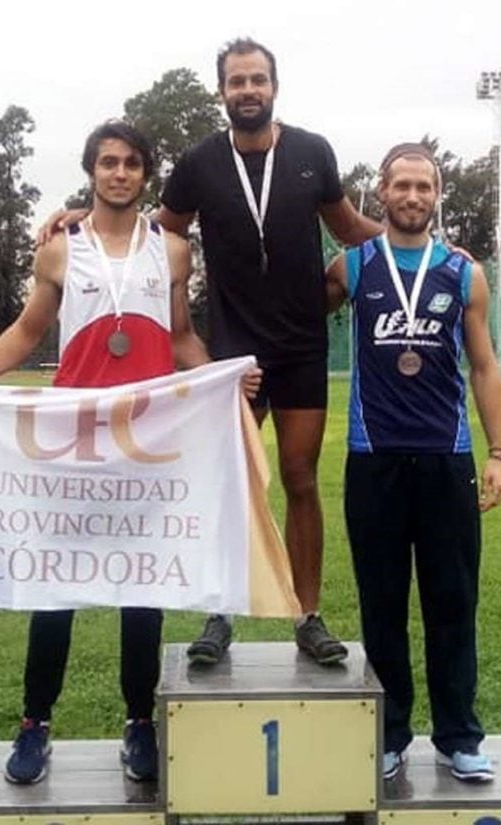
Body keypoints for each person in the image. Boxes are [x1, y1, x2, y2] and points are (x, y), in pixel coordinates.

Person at [0, 120, 260, 785]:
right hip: (74, 443)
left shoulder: (173, 251)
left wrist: (224, 377)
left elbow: (179, 337)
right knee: (55, 585)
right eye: (108, 162)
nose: (120, 173)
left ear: (146, 174)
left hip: (144, 442)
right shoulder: (60, 250)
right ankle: (35, 724)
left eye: (132, 163)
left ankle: (139, 721)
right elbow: (30, 328)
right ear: (91, 171)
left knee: (143, 586)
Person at [155, 38, 384, 666]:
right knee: (230, 485)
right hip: (232, 355)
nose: (247, 90)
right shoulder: (199, 161)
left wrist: (423, 245)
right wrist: (86, 222)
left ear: (274, 87)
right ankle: (218, 612)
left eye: (258, 80)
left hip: (303, 347)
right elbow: (159, 230)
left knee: (300, 479)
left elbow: (347, 229)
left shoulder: (311, 152)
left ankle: (307, 615)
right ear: (222, 91)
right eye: (236, 81)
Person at [325, 143, 501, 782]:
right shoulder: (351, 267)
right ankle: (391, 733)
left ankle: (458, 736)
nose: (412, 196)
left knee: (452, 601)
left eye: (423, 186)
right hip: (372, 461)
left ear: (436, 195)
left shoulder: (463, 272)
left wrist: (499, 453)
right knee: (382, 604)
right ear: (381, 190)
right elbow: (283, 307)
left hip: (446, 458)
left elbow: (484, 366)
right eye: (401, 184)